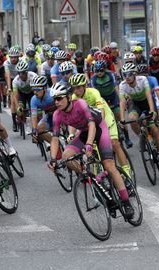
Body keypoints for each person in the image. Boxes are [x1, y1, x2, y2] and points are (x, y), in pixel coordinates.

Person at [47, 83, 135, 219]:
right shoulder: (57, 115)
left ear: (69, 97)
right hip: (83, 132)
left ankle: (126, 201)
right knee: (66, 156)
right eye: (54, 99)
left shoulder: (80, 104)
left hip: (99, 128)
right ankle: (92, 178)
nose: (56, 102)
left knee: (109, 166)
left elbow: (92, 124)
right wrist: (53, 159)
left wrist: (89, 145)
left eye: (59, 98)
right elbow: (54, 138)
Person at [69, 73, 133, 178]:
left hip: (105, 116)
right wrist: (71, 134)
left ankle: (127, 172)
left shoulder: (94, 92)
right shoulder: (74, 98)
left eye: (78, 87)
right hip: (90, 121)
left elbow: (101, 110)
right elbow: (73, 118)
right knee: (93, 148)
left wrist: (100, 127)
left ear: (84, 86)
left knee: (114, 143)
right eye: (73, 88)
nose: (76, 91)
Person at [119, 63, 159, 171]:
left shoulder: (142, 80)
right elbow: (122, 102)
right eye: (124, 75)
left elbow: (148, 96)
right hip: (135, 104)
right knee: (132, 119)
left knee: (154, 128)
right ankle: (146, 138)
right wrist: (122, 119)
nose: (127, 77)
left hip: (147, 103)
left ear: (134, 74)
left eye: (129, 74)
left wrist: (152, 110)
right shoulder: (122, 85)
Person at [30, 75, 57, 148]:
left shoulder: (52, 93)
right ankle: (55, 145)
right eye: (33, 89)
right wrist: (34, 130)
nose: (35, 92)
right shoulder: (34, 100)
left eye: (38, 89)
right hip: (50, 117)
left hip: (61, 115)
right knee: (38, 130)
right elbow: (33, 116)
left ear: (45, 88)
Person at [4, 47, 21, 131]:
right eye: (12, 57)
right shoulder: (6, 63)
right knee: (13, 100)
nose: (13, 59)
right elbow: (7, 75)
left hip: (19, 78)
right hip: (10, 79)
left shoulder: (22, 61)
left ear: (18, 57)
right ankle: (14, 122)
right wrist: (9, 88)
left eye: (15, 57)